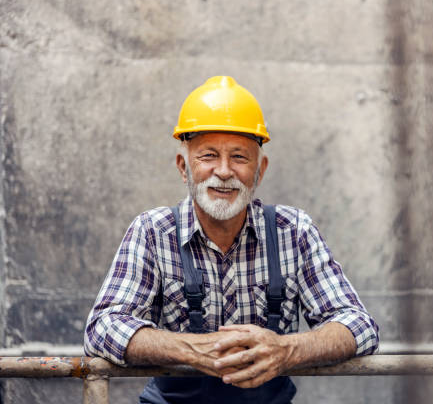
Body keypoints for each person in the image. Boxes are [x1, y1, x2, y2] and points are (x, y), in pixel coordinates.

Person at [84, 75, 379, 404]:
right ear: (184, 167)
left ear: (259, 170)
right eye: (208, 155)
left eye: (239, 157)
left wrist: (288, 349)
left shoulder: (293, 231)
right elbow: (102, 328)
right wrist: (191, 349)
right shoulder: (153, 232)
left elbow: (358, 324)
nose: (224, 171)